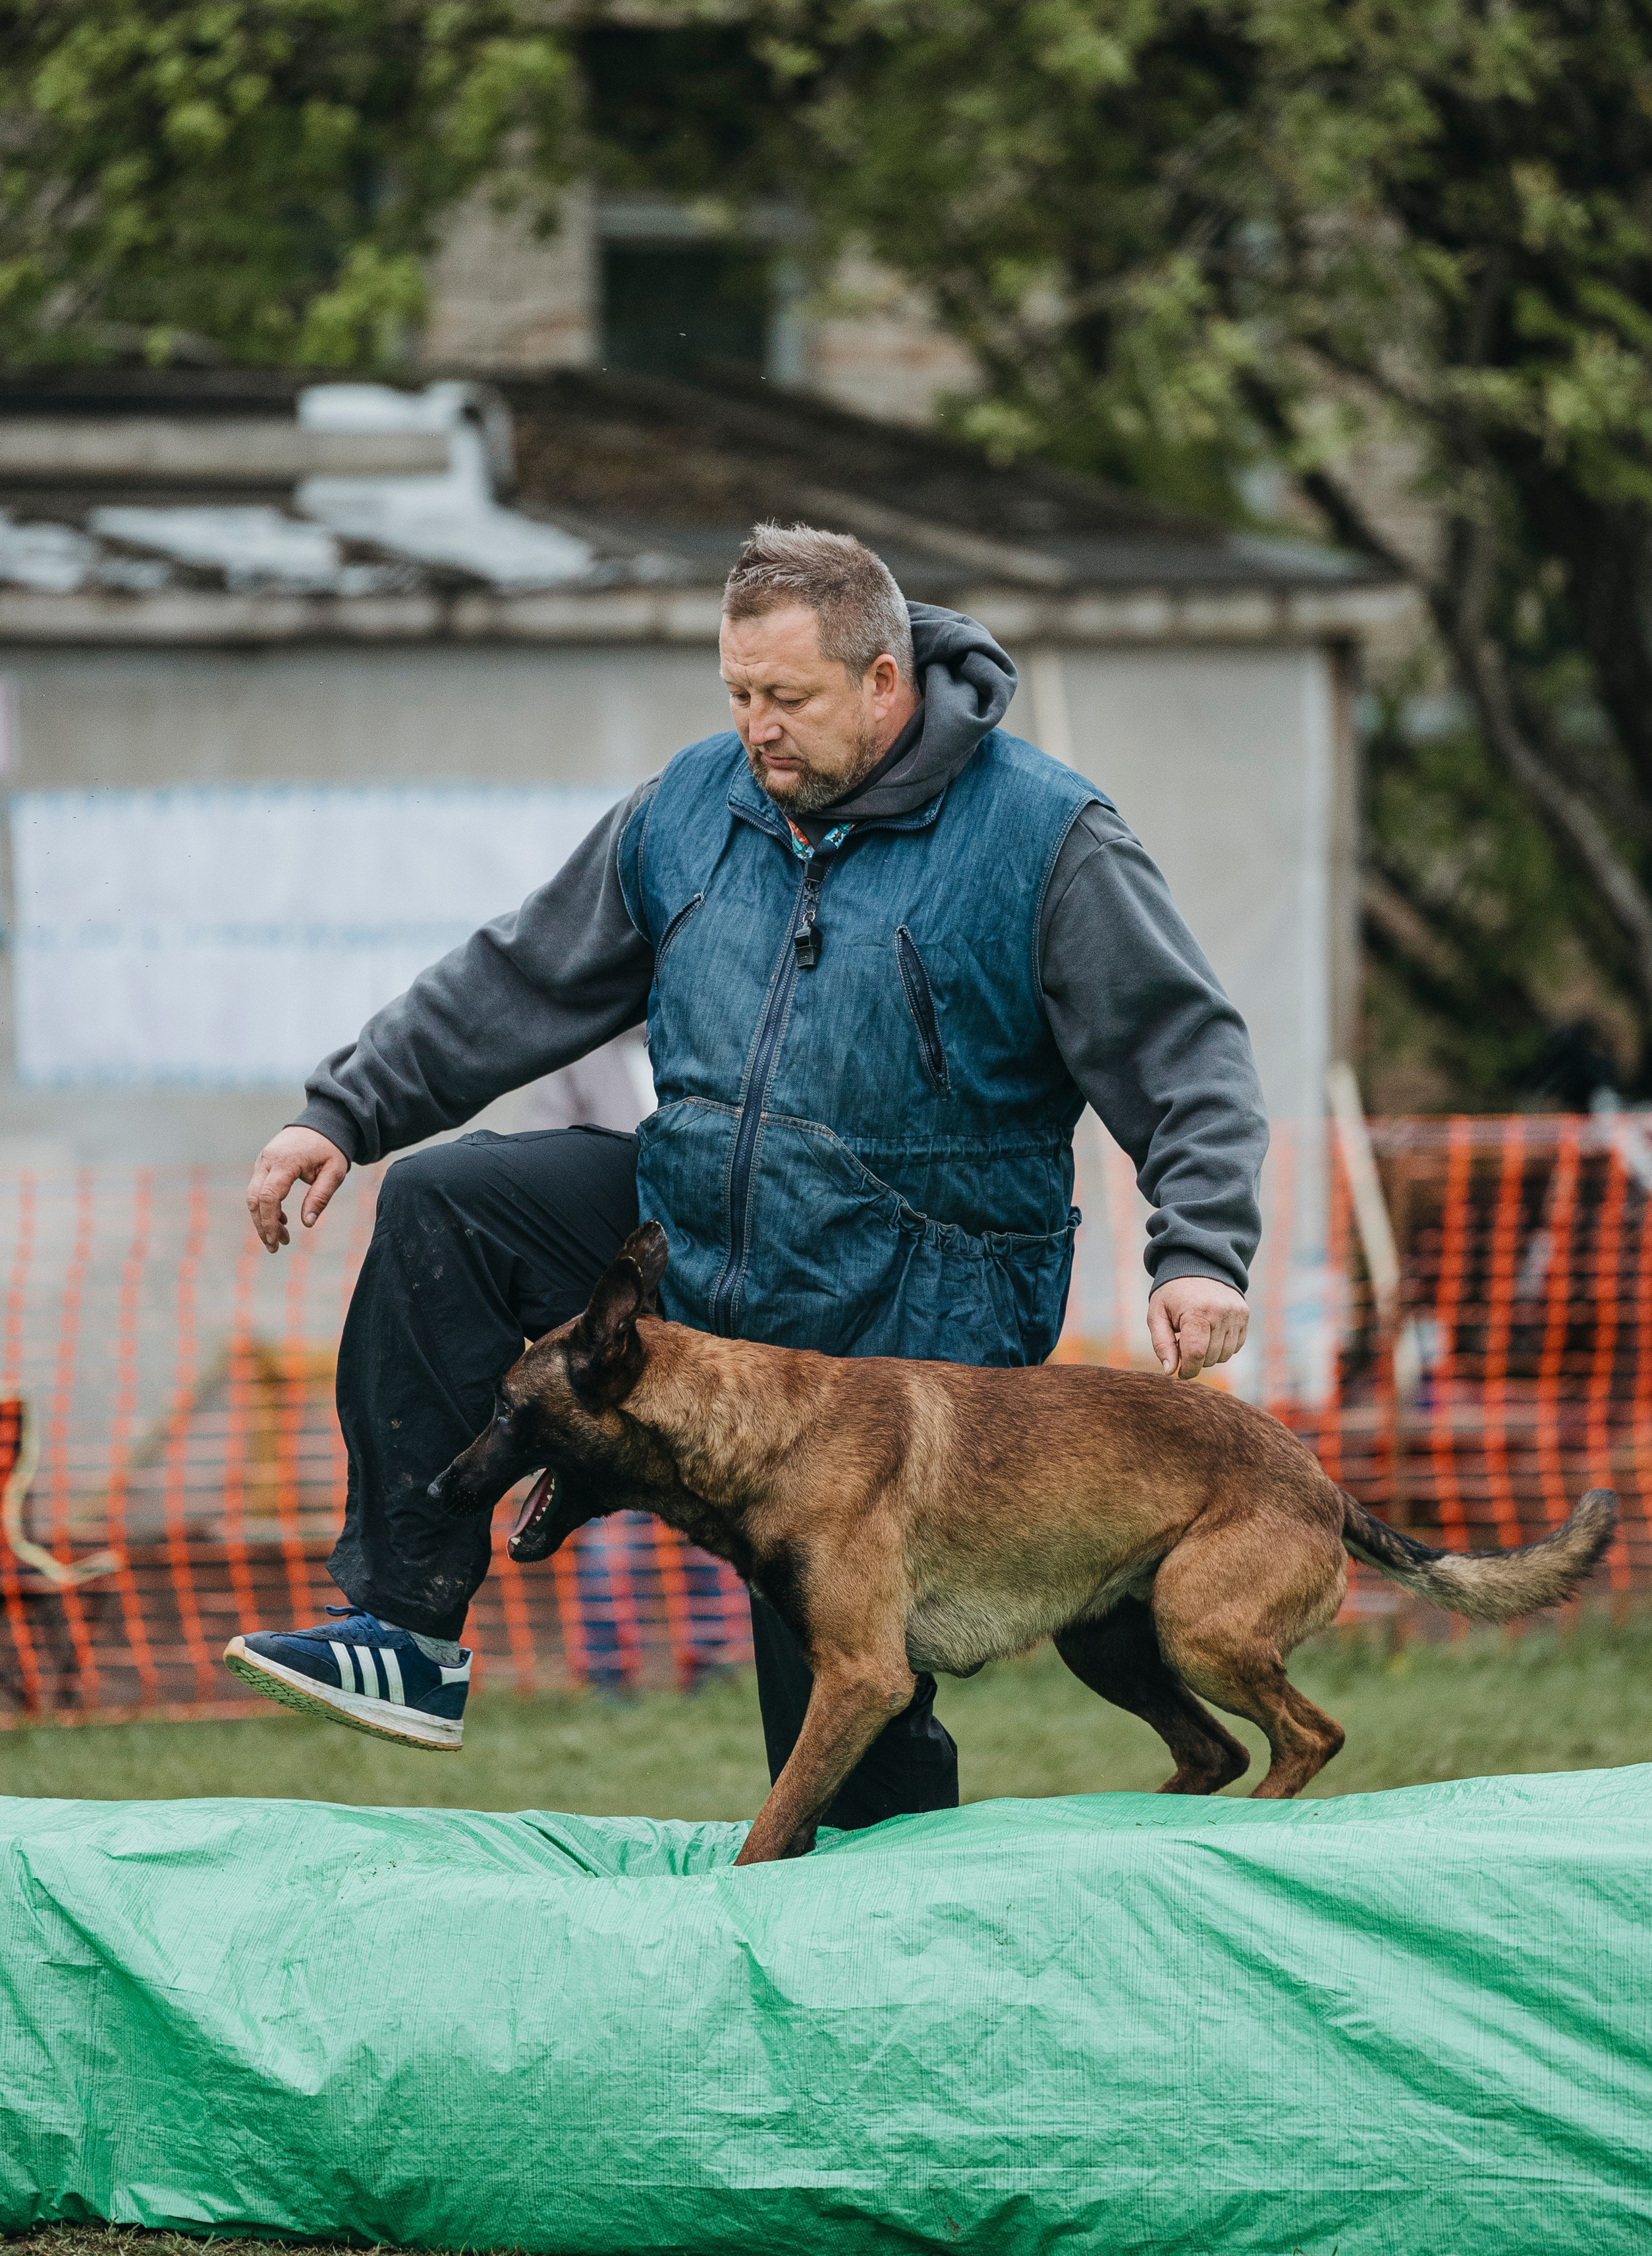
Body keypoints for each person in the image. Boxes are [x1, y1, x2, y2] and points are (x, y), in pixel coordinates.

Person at [225, 524, 1269, 1821]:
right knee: (457, 1207)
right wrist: (343, 1110)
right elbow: (523, 976)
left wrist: (1199, 1251)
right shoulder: (691, 807)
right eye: (736, 694)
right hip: (698, 1236)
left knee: (832, 1693)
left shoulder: (1040, 836)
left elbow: (1186, 1054)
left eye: (787, 699)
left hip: (907, 1303)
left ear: (883, 682)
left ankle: (889, 1896)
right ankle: (406, 1631)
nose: (755, 729)